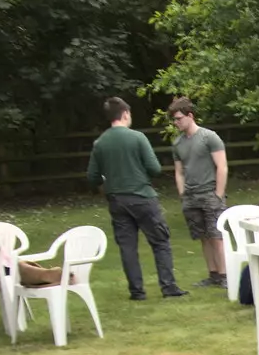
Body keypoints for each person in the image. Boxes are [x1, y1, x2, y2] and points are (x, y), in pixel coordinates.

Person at [87, 97, 186, 300]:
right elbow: (155, 168)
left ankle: (137, 291)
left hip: (116, 200)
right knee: (160, 241)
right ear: (125, 114)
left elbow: (92, 177)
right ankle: (168, 287)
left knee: (127, 247)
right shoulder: (137, 137)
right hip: (142, 197)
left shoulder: (100, 143)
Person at [169, 97, 229, 289]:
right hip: (191, 197)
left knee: (216, 237)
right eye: (174, 120)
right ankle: (213, 275)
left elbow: (222, 166)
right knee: (203, 237)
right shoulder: (177, 143)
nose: (176, 123)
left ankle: (225, 275)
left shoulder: (209, 137)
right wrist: (182, 194)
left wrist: (218, 195)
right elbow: (179, 172)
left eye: (179, 118)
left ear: (190, 115)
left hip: (210, 193)